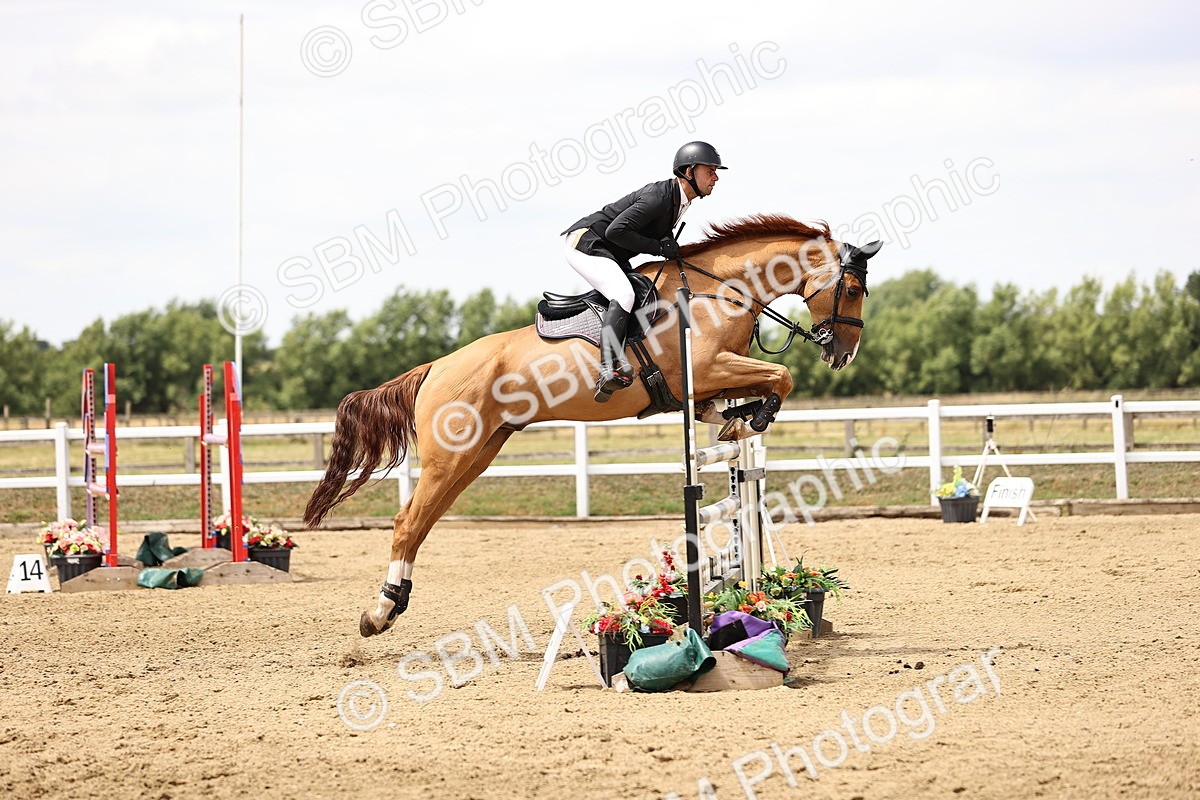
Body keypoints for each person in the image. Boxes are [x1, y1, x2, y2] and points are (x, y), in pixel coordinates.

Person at [562, 141, 726, 402]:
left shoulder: (679, 200)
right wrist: (659, 248)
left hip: (610, 250)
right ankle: (608, 368)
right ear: (689, 172)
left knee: (642, 293)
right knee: (624, 295)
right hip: (586, 242)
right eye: (710, 171)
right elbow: (616, 231)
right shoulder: (660, 197)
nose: (716, 177)